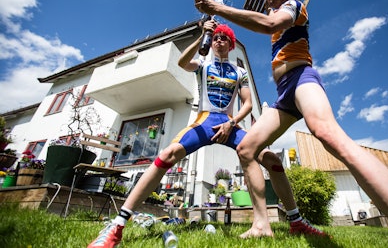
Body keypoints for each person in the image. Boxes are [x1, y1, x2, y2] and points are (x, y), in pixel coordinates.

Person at [194, 0, 388, 247]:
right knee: (247, 148)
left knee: (327, 134)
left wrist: (217, 6)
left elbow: (267, 23)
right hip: (284, 97)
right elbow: (261, 21)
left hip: (302, 79)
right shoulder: (276, 14)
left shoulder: (293, 6)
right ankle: (266, 224)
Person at [87, 21, 324, 248]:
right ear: (212, 42)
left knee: (271, 159)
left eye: (224, 38)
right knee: (167, 154)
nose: (219, 40)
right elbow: (181, 62)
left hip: (230, 124)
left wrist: (231, 123)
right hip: (204, 121)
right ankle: (117, 225)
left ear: (231, 45)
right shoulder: (203, 64)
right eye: (217, 37)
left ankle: (297, 222)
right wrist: (202, 36)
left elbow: (248, 104)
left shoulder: (239, 72)